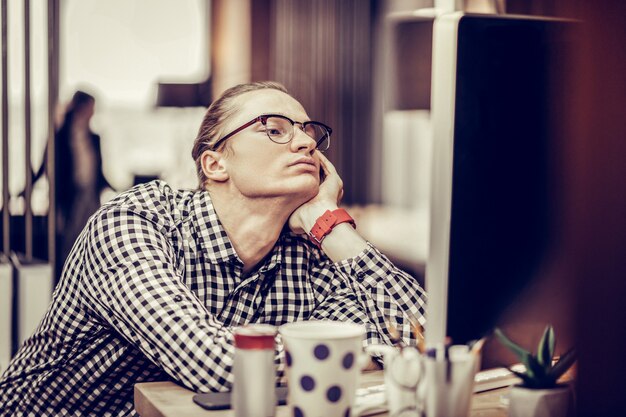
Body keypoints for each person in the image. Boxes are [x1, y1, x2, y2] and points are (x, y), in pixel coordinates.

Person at [0, 81, 426, 416]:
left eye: (308, 132)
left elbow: (422, 339)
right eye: (274, 129)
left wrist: (331, 224)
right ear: (215, 163)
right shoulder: (136, 223)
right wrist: (366, 354)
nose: (305, 143)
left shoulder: (308, 255)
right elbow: (216, 365)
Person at [32, 90, 113, 278]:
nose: (93, 112)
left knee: (92, 238)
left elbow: (98, 170)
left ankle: (88, 279)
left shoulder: (94, 137)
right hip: (69, 195)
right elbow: (45, 166)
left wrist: (117, 189)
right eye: (91, 108)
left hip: (91, 194)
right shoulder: (59, 136)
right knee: (69, 241)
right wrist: (25, 191)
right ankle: (66, 279)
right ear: (81, 107)